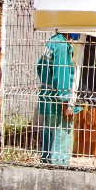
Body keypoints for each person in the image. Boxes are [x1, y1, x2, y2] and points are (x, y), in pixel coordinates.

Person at [37, 31, 80, 165]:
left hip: (48, 100)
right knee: (61, 144)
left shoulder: (53, 42)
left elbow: (40, 68)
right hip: (58, 105)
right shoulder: (61, 45)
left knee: (49, 143)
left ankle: (46, 168)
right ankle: (58, 173)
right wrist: (66, 104)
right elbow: (61, 77)